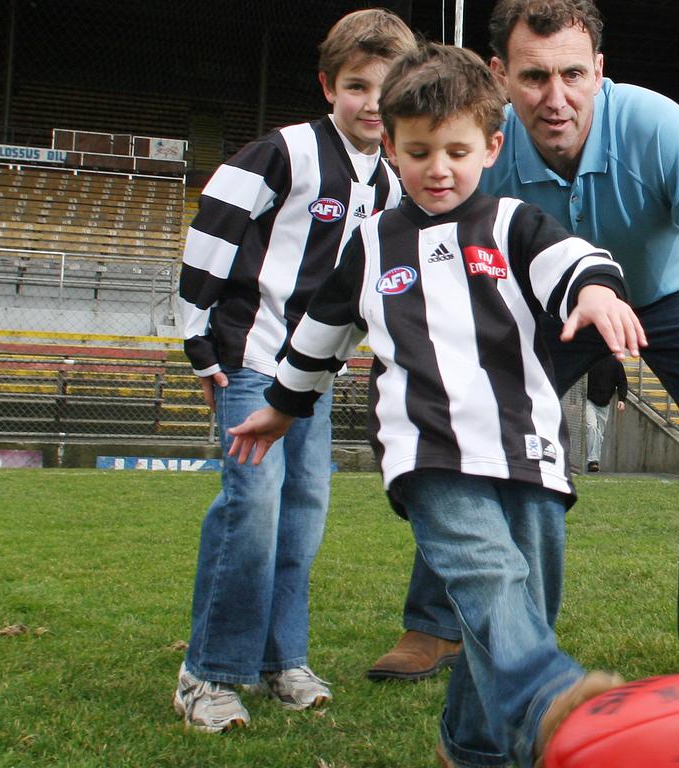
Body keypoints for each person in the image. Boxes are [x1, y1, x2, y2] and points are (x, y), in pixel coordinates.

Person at [227, 42, 645, 768]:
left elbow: (575, 263)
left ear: (491, 144)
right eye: (418, 152)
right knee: (487, 578)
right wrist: (281, 408)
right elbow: (319, 341)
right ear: (390, 147)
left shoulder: (515, 224)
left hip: (530, 452)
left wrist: (599, 293)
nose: (439, 168)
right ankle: (551, 694)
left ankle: (474, 749)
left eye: (456, 149)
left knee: (520, 608)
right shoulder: (369, 245)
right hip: (430, 452)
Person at [376, 0, 679, 693]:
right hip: (544, 305)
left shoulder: (657, 128)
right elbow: (417, 238)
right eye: (534, 77)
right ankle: (435, 624)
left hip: (670, 295)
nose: (555, 98)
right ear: (501, 76)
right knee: (466, 417)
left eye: (572, 74)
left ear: (599, 70)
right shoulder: (481, 141)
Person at [171, 8, 416, 733]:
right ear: (326, 86)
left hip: (310, 378)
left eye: (386, 87)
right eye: (355, 86)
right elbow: (214, 225)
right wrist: (196, 336)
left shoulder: (392, 181)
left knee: (303, 517)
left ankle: (282, 660)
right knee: (254, 510)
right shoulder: (284, 152)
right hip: (249, 359)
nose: (371, 102)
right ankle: (207, 674)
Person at [584, 355, 627, 472]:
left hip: (604, 403)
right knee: (592, 427)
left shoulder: (615, 363)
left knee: (599, 434)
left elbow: (622, 381)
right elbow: (578, 380)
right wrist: (574, 401)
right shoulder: (590, 360)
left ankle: (594, 460)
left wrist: (622, 399)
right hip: (589, 400)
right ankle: (593, 461)